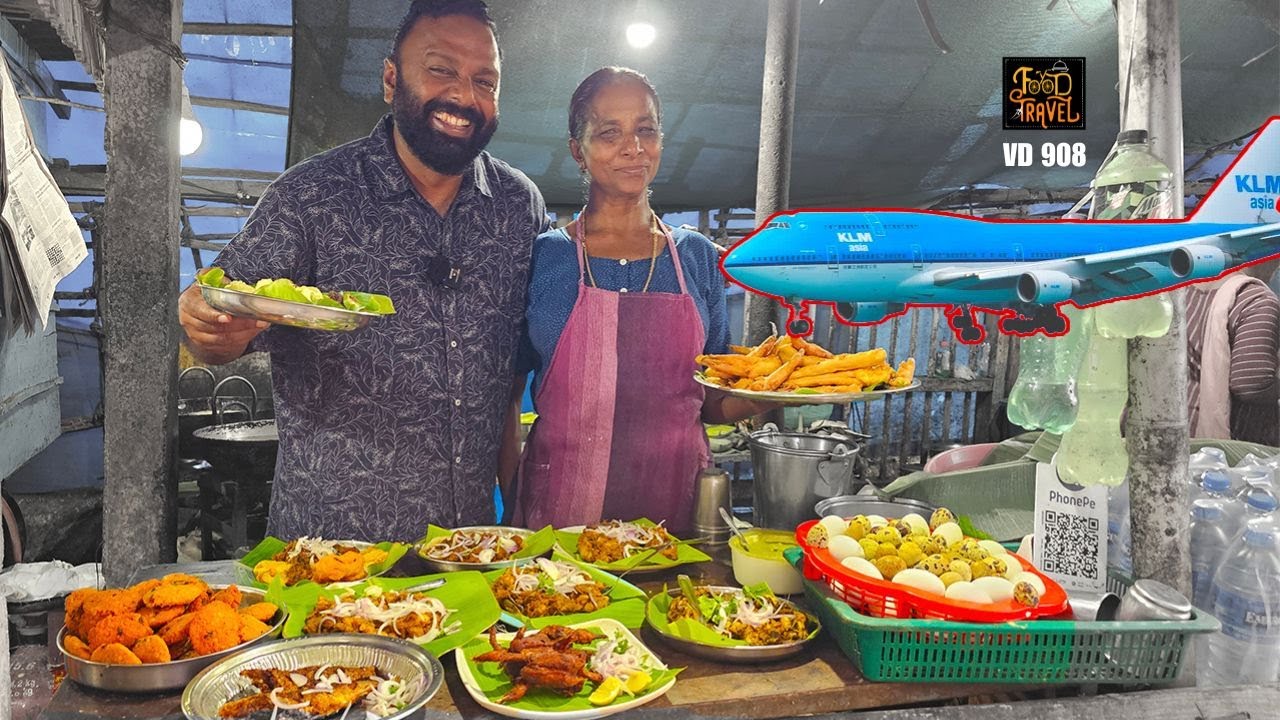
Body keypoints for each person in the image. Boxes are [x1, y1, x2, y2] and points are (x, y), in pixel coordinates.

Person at [178, 0, 548, 541]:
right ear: (392, 79)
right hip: (329, 556)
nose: (465, 97)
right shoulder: (311, 196)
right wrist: (206, 323)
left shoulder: (518, 206)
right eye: (441, 69)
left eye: (485, 81)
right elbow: (219, 325)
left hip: (467, 555)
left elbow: (514, 375)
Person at [501, 67, 765, 533]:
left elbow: (713, 402)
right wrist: (512, 504)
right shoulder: (545, 257)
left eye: (646, 129)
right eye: (609, 133)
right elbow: (504, 397)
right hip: (559, 523)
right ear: (577, 151)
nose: (633, 147)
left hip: (674, 522)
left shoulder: (696, 256)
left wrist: (783, 393)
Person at [1186, 259, 1280, 446]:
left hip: (1172, 420)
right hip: (1224, 443)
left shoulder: (1187, 285)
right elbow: (1251, 384)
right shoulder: (1256, 301)